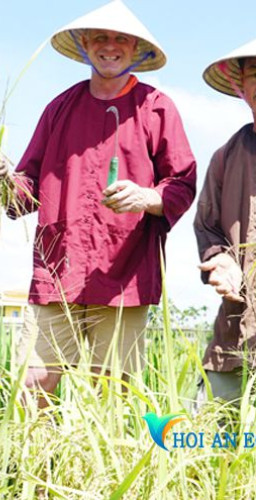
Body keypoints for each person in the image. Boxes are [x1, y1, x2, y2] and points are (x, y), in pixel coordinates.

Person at [0, 0, 196, 406]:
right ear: (85, 45)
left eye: (120, 40)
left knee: (110, 397)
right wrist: (2, 180)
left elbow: (182, 183)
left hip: (124, 274)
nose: (110, 46)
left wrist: (148, 197)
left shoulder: (155, 107)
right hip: (58, 270)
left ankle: (99, 472)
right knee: (32, 386)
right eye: (101, 37)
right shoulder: (59, 108)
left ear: (136, 49)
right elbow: (26, 192)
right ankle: (31, 467)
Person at [194, 39, 256, 404]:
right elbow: (208, 227)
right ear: (242, 86)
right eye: (254, 75)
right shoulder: (226, 156)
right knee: (209, 439)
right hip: (236, 330)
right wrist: (221, 259)